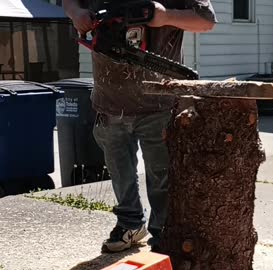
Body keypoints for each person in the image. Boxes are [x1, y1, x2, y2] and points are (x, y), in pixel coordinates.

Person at [62, 0, 216, 253]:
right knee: (120, 172)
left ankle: (162, 233)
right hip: (109, 99)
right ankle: (130, 223)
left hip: (159, 102)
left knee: (161, 175)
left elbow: (206, 20)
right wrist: (76, 13)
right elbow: (68, 1)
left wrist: (166, 16)